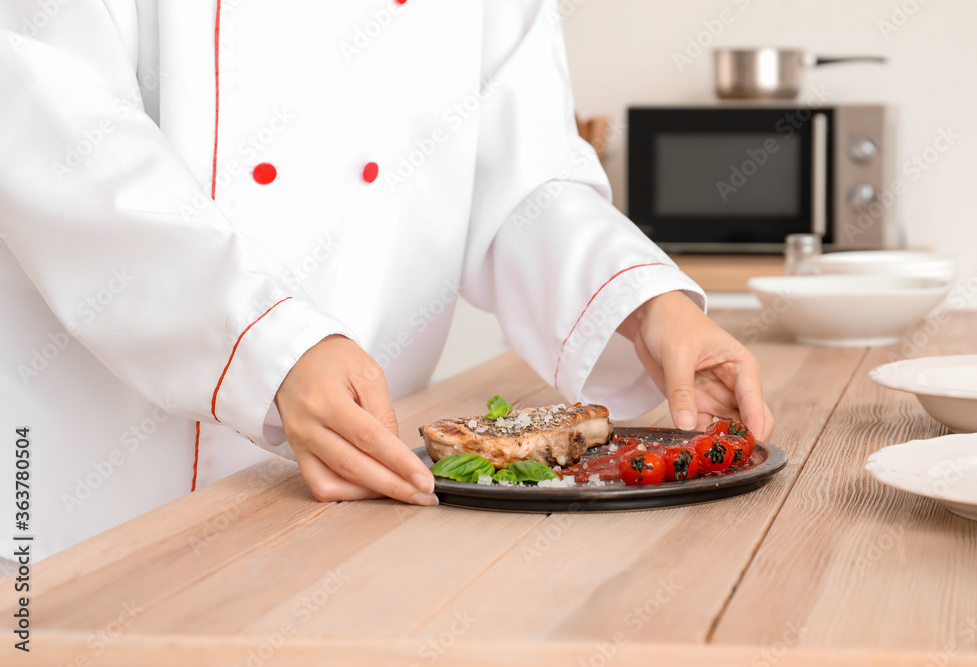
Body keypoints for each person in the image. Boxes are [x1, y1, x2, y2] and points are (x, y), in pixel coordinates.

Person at [0, 0, 774, 563]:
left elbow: (524, 180)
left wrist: (645, 302)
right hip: (93, 494)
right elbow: (56, 141)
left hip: (357, 488)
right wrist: (271, 344)